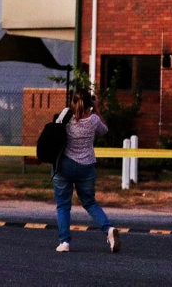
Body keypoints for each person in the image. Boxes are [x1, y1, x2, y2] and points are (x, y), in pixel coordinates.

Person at [52, 90, 120, 253]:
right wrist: (96, 108)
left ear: (73, 102)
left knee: (63, 205)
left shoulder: (65, 117)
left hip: (64, 166)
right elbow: (105, 130)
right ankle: (108, 229)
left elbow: (54, 130)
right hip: (86, 167)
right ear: (89, 103)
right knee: (89, 202)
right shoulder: (94, 120)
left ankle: (64, 242)